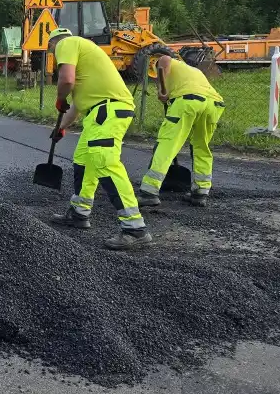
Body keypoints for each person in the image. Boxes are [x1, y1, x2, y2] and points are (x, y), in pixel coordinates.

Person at [47, 27, 151, 250]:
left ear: (53, 44)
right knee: (84, 160)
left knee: (104, 160)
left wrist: (59, 96)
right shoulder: (85, 61)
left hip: (109, 110)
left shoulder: (67, 43)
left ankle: (135, 229)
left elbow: (66, 81)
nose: (54, 56)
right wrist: (61, 128)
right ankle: (79, 212)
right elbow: (77, 106)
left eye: (51, 51)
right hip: (99, 112)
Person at [138, 53, 225, 207]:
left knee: (167, 144)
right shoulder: (193, 71)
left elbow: (164, 60)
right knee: (201, 146)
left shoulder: (164, 62)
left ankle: (149, 192)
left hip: (187, 102)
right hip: (213, 104)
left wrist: (161, 90)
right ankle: (200, 192)